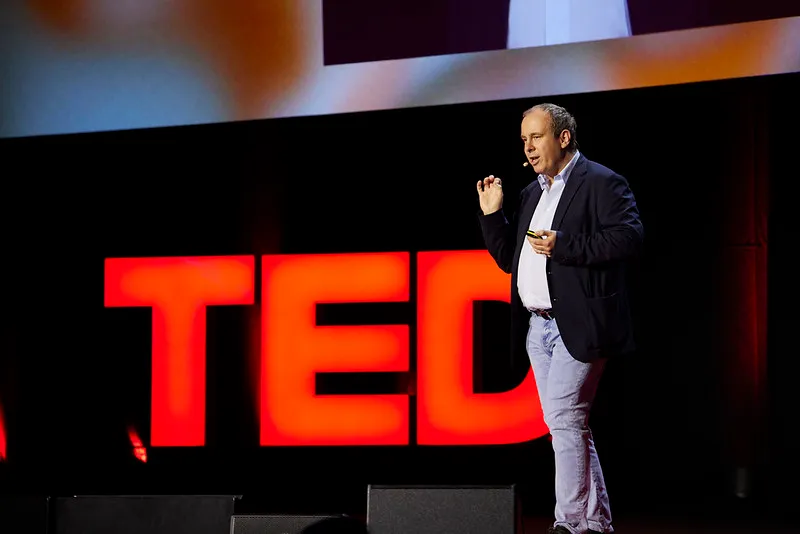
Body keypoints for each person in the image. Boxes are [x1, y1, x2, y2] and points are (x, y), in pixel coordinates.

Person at [476, 103, 643, 534]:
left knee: (566, 421)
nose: (528, 148)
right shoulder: (534, 193)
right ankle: (596, 522)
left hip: (580, 323)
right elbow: (509, 260)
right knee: (567, 427)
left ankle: (568, 523)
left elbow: (628, 237)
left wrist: (566, 245)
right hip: (539, 328)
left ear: (563, 138)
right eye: (523, 140)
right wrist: (493, 214)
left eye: (536, 137)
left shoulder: (602, 182)